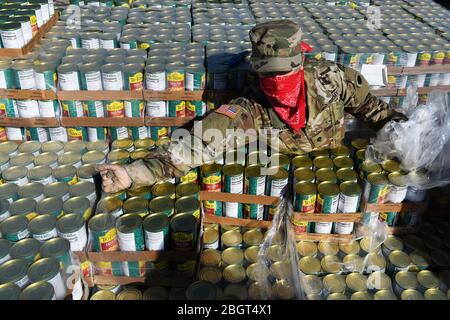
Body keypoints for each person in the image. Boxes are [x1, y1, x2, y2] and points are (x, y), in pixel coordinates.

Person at [98, 20, 407, 193]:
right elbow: (195, 146)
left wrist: (408, 137)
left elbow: (373, 109)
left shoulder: (332, 79)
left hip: (343, 172)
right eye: (268, 76)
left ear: (301, 64)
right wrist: (133, 173)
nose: (277, 83)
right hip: (290, 182)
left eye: (284, 74)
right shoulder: (250, 109)